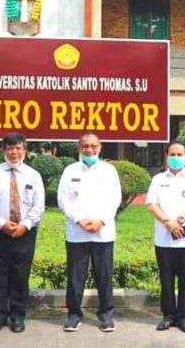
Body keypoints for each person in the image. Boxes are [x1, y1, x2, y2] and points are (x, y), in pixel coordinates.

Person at [57, 132, 122, 333]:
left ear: (100, 147)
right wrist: (80, 220)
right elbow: (63, 199)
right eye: (85, 146)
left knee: (104, 276)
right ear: (79, 148)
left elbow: (115, 198)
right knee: (75, 277)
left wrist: (101, 221)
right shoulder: (70, 171)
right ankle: (74, 315)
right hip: (77, 233)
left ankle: (106, 315)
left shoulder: (109, 171)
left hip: (103, 233)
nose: (89, 150)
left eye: (93, 146)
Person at [0, 132, 45, 333]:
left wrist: (25, 225)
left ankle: (17, 315)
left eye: (18, 148)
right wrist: (1, 223)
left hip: (25, 233)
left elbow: (39, 205)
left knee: (20, 275)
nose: (14, 152)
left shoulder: (33, 175)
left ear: (24, 150)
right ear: (4, 150)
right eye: (10, 148)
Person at [145, 140, 185, 333]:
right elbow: (151, 204)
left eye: (180, 155)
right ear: (166, 156)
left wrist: (177, 220)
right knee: (166, 278)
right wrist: (167, 222)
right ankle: (168, 315)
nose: (176, 158)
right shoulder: (158, 179)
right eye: (172, 154)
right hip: (163, 238)